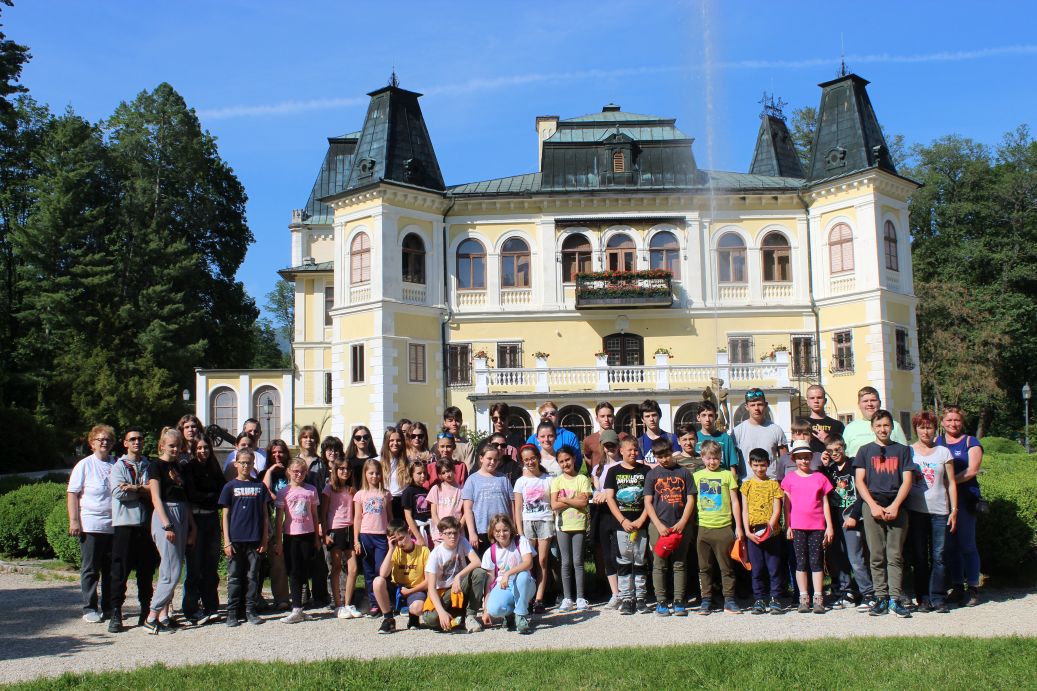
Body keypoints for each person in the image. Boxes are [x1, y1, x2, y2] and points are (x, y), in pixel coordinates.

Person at [854, 409, 915, 618]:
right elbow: (859, 481)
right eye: (878, 425)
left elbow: (907, 480)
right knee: (876, 555)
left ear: (892, 427)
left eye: (886, 425)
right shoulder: (865, 451)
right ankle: (880, 596)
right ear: (872, 427)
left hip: (897, 506)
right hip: (873, 505)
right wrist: (872, 505)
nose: (883, 429)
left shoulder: (902, 450)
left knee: (895, 555)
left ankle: (895, 599)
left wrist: (896, 505)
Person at [145, 428, 197, 633]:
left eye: (178, 446)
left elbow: (184, 497)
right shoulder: (155, 466)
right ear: (162, 446)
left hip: (181, 512)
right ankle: (151, 616)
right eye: (171, 446)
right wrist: (167, 524)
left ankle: (164, 616)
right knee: (172, 570)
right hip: (166, 514)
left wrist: (192, 526)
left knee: (171, 568)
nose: (175, 449)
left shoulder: (178, 467)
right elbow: (156, 497)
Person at [108, 426, 157, 632]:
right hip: (124, 525)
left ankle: (145, 610)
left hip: (145, 525)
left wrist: (135, 488)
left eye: (140, 439)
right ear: (125, 443)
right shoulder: (118, 467)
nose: (137, 442)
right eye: (133, 439)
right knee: (120, 571)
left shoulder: (149, 465)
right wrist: (144, 490)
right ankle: (116, 612)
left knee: (146, 571)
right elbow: (119, 493)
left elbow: (155, 490)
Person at [819, 433, 875, 612]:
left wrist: (854, 516)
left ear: (843, 447)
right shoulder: (830, 469)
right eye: (830, 451)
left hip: (852, 517)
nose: (835, 453)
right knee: (838, 556)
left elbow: (861, 492)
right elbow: (823, 488)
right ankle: (847, 591)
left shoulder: (853, 465)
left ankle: (868, 593)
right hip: (835, 518)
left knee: (855, 557)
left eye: (838, 449)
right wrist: (824, 466)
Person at [908, 410, 958, 613]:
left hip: (940, 510)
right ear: (916, 429)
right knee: (920, 556)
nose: (925, 431)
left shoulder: (943, 452)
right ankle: (923, 598)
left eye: (929, 427)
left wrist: (954, 510)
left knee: (939, 555)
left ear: (935, 429)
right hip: (916, 510)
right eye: (921, 427)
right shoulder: (908, 451)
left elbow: (951, 482)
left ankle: (938, 597)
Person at [68, 424, 116, 625]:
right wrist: (74, 520)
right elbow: (73, 493)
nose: (104, 442)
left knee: (110, 569)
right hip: (91, 524)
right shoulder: (85, 465)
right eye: (100, 439)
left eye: (108, 440)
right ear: (92, 443)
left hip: (113, 525)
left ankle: (109, 607)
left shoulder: (116, 464)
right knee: (91, 568)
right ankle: (89, 607)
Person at [936, 405, 983, 607]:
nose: (953, 423)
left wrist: (950, 482)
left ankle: (972, 587)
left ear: (962, 422)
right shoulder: (937, 442)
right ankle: (957, 586)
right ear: (942, 422)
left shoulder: (971, 442)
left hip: (965, 499)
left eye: (956, 420)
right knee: (950, 547)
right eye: (949, 420)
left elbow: (972, 470)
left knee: (967, 544)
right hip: (942, 501)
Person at [781, 440, 834, 614]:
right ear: (794, 459)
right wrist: (788, 526)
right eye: (800, 458)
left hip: (817, 526)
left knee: (816, 561)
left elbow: (825, 503)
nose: (803, 461)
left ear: (811, 458)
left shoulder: (819, 478)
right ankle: (803, 597)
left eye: (806, 457)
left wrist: (829, 526)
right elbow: (786, 505)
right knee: (801, 562)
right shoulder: (789, 479)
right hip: (797, 526)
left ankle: (818, 597)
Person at [645, 437, 696, 616]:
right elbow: (648, 502)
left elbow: (691, 499)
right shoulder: (652, 475)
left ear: (672, 452)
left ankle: (679, 600)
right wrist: (658, 525)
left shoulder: (683, 472)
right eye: (660, 457)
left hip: (681, 526)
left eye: (666, 455)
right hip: (659, 527)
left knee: (679, 563)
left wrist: (682, 522)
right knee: (659, 564)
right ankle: (661, 601)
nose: (664, 459)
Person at [219, 448, 270, 627]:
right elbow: (225, 515)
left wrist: (264, 539)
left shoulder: (260, 487)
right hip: (235, 540)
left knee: (252, 576)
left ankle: (250, 609)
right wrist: (226, 541)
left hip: (254, 539)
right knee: (234, 577)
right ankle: (232, 612)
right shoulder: (229, 487)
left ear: (253, 464)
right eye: (242, 462)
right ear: (236, 464)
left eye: (249, 463)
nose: (245, 466)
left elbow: (265, 515)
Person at [693, 440, 742, 615]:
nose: (712, 462)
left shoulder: (727, 475)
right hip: (703, 527)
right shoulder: (697, 476)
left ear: (720, 457)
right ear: (702, 457)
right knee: (704, 567)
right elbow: (692, 502)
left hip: (723, 527)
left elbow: (735, 502)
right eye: (708, 458)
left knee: (726, 567)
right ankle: (706, 599)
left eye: (715, 458)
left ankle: (729, 599)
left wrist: (738, 527)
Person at [604, 433, 650, 616]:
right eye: (629, 449)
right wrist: (622, 520)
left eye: (636, 449)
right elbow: (610, 498)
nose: (633, 453)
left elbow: (649, 499)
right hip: (621, 525)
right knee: (623, 561)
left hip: (641, 524)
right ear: (621, 451)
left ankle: (641, 597)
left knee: (640, 560)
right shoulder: (613, 471)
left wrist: (641, 519)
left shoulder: (645, 470)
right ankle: (626, 598)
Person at [182, 435, 226, 625]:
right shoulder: (189, 468)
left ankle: (211, 607)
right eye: (199, 448)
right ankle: (191, 609)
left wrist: (209, 498)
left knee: (211, 566)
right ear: (194, 450)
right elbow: (192, 495)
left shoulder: (214, 467)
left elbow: (223, 492)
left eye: (206, 448)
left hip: (211, 519)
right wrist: (211, 497)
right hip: (196, 519)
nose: (203, 451)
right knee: (194, 567)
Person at [421, 515, 487, 633]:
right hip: (443, 593)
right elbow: (431, 588)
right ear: (441, 535)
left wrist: (458, 576)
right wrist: (441, 612)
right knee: (430, 619)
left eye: (455, 533)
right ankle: (455, 617)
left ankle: (470, 616)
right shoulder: (435, 554)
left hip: (459, 587)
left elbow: (477, 562)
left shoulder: (462, 541)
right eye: (448, 533)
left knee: (479, 573)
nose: (453, 536)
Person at [274, 458, 321, 624]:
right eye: (295, 471)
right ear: (289, 471)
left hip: (308, 534)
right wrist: (279, 541)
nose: (299, 474)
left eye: (302, 471)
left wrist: (317, 538)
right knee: (293, 571)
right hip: (291, 535)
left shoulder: (311, 490)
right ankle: (295, 608)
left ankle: (301, 606)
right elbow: (279, 518)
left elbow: (314, 515)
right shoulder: (284, 492)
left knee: (304, 571)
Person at [740, 448, 784, 615]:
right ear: (750, 464)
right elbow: (744, 510)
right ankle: (759, 599)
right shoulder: (747, 486)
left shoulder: (773, 485)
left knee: (774, 567)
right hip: (753, 533)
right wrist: (747, 531)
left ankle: (775, 598)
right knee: (757, 568)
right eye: (756, 465)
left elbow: (777, 509)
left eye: (763, 465)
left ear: (768, 464)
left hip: (771, 532)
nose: (759, 469)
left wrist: (769, 528)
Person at [550, 445, 593, 612]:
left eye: (567, 459)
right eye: (561, 461)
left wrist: (565, 499)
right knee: (565, 562)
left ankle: (580, 597)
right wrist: (574, 499)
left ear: (574, 459)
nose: (565, 464)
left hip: (579, 525)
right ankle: (567, 598)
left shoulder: (582, 479)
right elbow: (554, 505)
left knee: (578, 562)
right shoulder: (557, 481)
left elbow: (584, 502)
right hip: (562, 526)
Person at [512, 444, 554, 614]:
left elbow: (553, 503)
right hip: (527, 523)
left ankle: (539, 599)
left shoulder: (548, 479)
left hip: (545, 521)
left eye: (532, 458)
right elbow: (517, 508)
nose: (530, 462)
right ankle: (526, 597)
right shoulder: (520, 481)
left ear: (538, 458)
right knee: (527, 562)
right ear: (522, 462)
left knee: (542, 560)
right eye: (526, 460)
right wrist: (520, 531)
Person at [481, 513, 535, 634]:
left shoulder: (521, 541)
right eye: (497, 531)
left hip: (525, 585)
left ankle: (520, 614)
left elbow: (528, 563)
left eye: (505, 530)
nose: (501, 534)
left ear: (511, 529)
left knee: (522, 576)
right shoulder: (490, 552)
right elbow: (489, 581)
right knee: (493, 609)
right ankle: (510, 614)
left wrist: (507, 574)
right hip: (504, 586)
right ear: (492, 532)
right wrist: (485, 610)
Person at [373, 520, 430, 634]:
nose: (400, 543)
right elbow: (383, 574)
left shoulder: (423, 551)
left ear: (409, 532)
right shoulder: (395, 550)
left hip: (415, 589)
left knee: (418, 608)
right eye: (396, 540)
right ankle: (388, 619)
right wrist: (391, 549)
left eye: (402, 538)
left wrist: (410, 591)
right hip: (397, 588)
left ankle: (413, 616)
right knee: (378, 581)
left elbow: (428, 581)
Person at [354, 458, 393, 617]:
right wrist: (356, 540)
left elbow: (389, 516)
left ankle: (385, 600)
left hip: (381, 536)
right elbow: (357, 518)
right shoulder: (360, 494)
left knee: (381, 570)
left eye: (377, 473)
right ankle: (374, 603)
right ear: (365, 474)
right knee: (369, 571)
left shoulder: (385, 494)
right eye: (371, 473)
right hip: (366, 536)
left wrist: (391, 534)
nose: (374, 476)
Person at [322, 459, 361, 619]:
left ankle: (348, 603)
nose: (345, 471)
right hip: (335, 529)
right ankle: (338, 604)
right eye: (341, 468)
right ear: (336, 470)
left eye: (348, 469)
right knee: (337, 567)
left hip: (350, 529)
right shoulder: (329, 488)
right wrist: (325, 533)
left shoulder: (352, 490)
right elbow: (323, 513)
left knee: (353, 569)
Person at [589, 429, 622, 608]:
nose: (610, 449)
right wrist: (597, 494)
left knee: (621, 552)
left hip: (619, 512)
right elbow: (596, 489)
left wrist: (607, 495)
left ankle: (626, 590)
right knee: (607, 554)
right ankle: (615, 592)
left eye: (613, 445)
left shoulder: (623, 465)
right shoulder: (598, 468)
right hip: (603, 513)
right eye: (607, 445)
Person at [463, 445, 513, 554]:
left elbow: (511, 505)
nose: (492, 462)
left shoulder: (503, 478)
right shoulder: (472, 480)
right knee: (486, 562)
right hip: (482, 530)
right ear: (481, 458)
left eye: (496, 459)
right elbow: (467, 509)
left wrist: (513, 526)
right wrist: (472, 532)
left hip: (503, 530)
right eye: (489, 459)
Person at [261, 439, 291, 610]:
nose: (277, 455)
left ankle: (300, 595)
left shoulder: (291, 471)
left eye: (280, 452)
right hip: (273, 521)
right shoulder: (266, 473)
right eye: (273, 453)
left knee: (294, 560)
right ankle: (281, 599)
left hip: (293, 520)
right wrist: (270, 470)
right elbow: (264, 491)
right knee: (277, 560)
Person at [732, 389, 788, 480]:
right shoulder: (737, 431)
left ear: (765, 405)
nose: (756, 408)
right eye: (752, 405)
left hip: (771, 482)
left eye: (760, 404)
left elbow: (785, 460)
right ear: (746, 407)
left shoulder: (776, 429)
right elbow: (732, 461)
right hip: (746, 483)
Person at [843, 387, 908, 457]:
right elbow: (843, 455)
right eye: (865, 401)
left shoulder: (894, 426)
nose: (869, 404)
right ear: (859, 405)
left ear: (880, 403)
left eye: (873, 400)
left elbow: (905, 453)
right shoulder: (850, 428)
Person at [525, 402, 583, 468]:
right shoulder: (532, 439)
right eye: (545, 414)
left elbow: (577, 461)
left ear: (557, 416)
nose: (549, 416)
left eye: (552, 413)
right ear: (541, 418)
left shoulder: (570, 436)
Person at [695, 402, 739, 476]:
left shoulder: (725, 438)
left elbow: (732, 466)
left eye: (710, 415)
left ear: (716, 416)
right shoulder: (693, 438)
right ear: (698, 417)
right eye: (704, 415)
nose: (707, 419)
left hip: (722, 480)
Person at [427, 457, 464, 544]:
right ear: (440, 475)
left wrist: (458, 528)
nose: (447, 474)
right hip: (440, 534)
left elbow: (465, 513)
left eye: (448, 471)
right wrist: (442, 528)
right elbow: (434, 513)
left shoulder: (462, 490)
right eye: (443, 473)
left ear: (453, 469)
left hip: (456, 534)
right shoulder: (436, 489)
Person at [582, 402, 623, 471]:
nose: (606, 420)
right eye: (602, 416)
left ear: (614, 417)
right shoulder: (589, 440)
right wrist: (594, 473)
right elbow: (587, 458)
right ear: (597, 419)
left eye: (609, 416)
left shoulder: (622, 437)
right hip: (598, 476)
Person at [637, 399, 680, 465]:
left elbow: (677, 462)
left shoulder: (672, 438)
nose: (651, 419)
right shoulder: (639, 443)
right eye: (647, 416)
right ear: (642, 419)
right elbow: (638, 467)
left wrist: (653, 466)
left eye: (654, 415)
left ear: (659, 416)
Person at [805, 385, 845, 453]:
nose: (816, 401)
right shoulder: (802, 424)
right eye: (812, 398)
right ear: (807, 402)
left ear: (825, 401)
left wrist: (827, 439)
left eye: (819, 397)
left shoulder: (837, 425)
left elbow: (843, 448)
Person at [380, 427, 409, 518]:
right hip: (384, 502)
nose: (395, 443)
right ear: (386, 442)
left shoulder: (409, 463)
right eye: (391, 440)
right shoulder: (377, 462)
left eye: (398, 440)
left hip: (403, 504)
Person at [401, 461, 432, 546]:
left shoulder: (427, 491)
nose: (423, 475)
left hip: (429, 529)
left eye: (424, 473)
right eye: (419, 473)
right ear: (411, 474)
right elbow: (408, 516)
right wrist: (418, 537)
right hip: (417, 531)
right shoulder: (408, 492)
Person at [345, 426, 377, 492]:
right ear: (354, 441)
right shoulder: (348, 460)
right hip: (352, 495)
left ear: (369, 439)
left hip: (372, 495)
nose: (362, 440)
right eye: (358, 438)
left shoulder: (376, 459)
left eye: (365, 437)